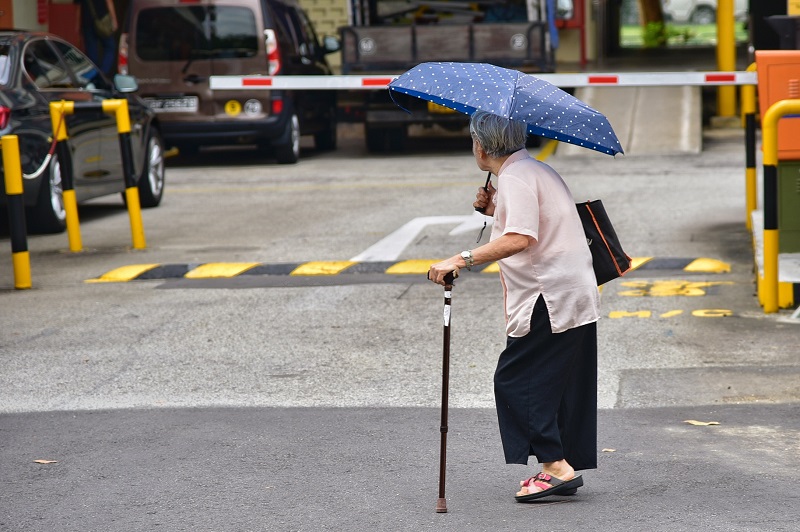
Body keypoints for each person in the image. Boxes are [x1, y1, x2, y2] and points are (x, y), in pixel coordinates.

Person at [427, 110, 600, 502]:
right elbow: (535, 223)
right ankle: (560, 464)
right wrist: (494, 211)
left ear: (482, 146)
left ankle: (556, 467)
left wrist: (460, 258)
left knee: (516, 380)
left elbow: (521, 238)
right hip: (570, 290)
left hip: (548, 296)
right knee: (556, 382)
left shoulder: (517, 177)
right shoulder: (536, 171)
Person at [77, 0, 118, 75]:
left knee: (92, 56)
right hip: (102, 20)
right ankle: (102, 74)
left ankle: (93, 76)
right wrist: (114, 20)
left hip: (87, 23)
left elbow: (78, 7)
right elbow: (109, 1)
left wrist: (78, 26)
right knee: (110, 47)